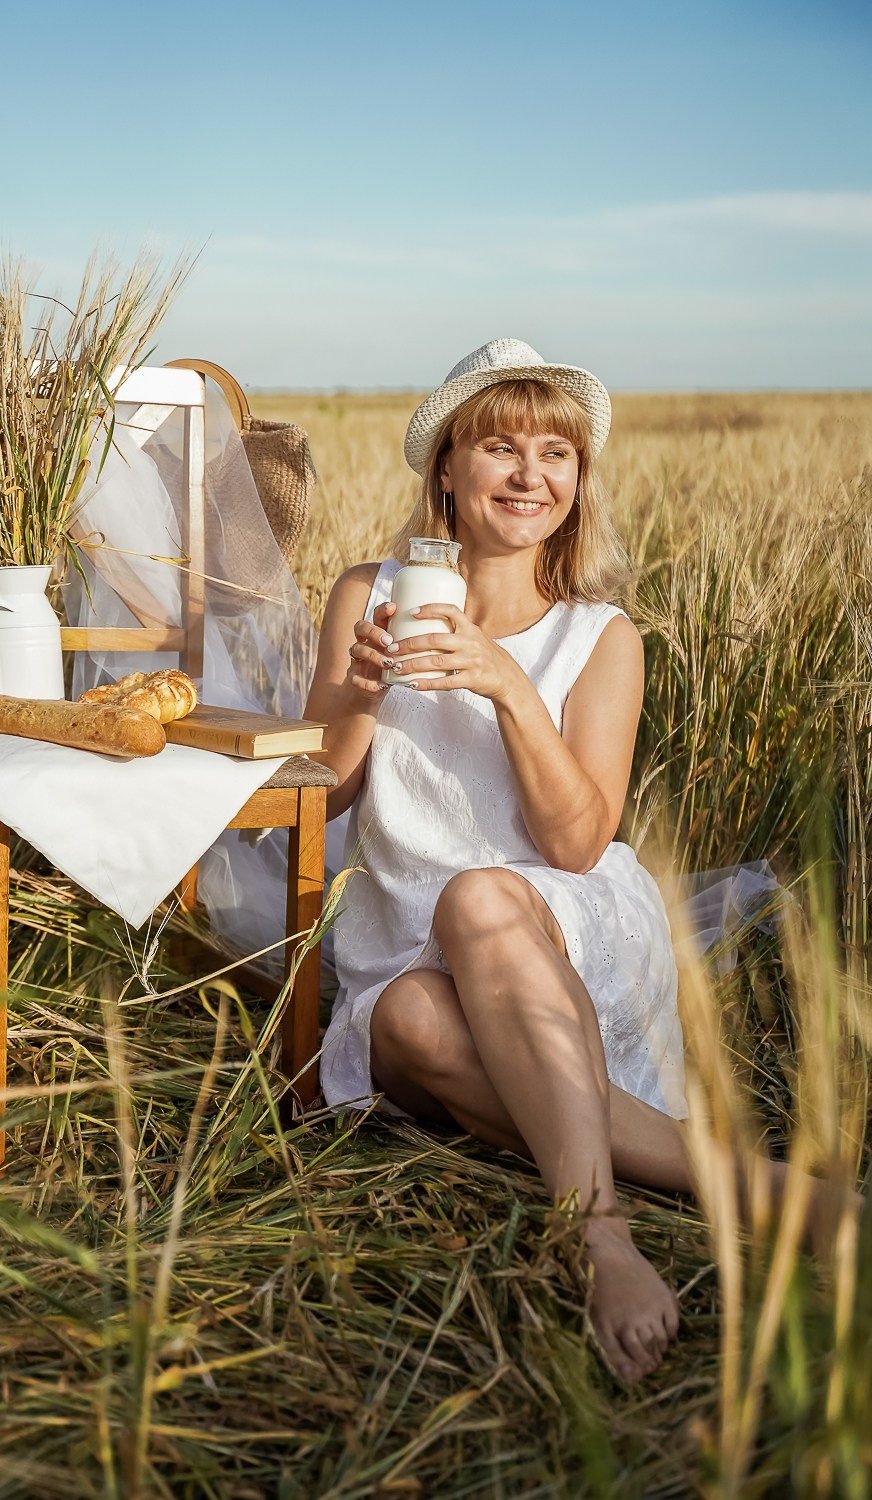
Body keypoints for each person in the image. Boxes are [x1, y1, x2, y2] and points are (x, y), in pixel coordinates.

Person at [304, 337, 693, 1385]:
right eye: (502, 449)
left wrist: (510, 689)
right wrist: (358, 691)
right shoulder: (367, 594)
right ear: (445, 470)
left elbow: (574, 841)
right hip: (405, 945)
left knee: (481, 898)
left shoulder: (599, 635)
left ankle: (599, 1232)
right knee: (406, 1021)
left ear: (578, 480)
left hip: (554, 920)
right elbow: (324, 793)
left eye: (556, 455)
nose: (532, 476)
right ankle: (724, 1174)